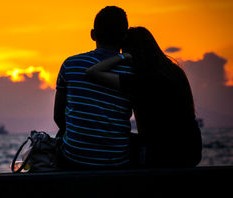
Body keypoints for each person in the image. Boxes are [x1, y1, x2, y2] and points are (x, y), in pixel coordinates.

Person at [86, 27, 202, 167]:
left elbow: (93, 72)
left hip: (165, 154)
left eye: (124, 51)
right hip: (192, 150)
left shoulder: (143, 80)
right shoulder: (174, 71)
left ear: (132, 52)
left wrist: (122, 57)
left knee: (110, 140)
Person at [54, 6, 134, 169]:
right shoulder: (132, 70)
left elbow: (58, 116)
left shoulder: (71, 64)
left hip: (75, 159)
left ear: (93, 34)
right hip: (118, 162)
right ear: (124, 38)